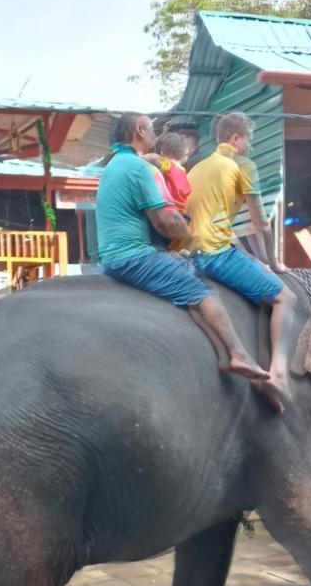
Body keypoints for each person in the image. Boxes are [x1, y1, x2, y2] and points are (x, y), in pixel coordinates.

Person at [95, 112, 269, 384]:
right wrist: (188, 231)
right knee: (205, 291)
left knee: (186, 288)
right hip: (134, 256)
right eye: (151, 128)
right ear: (139, 130)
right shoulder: (140, 169)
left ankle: (223, 355)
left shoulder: (115, 165)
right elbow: (165, 220)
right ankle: (239, 353)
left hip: (114, 254)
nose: (154, 133)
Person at [177, 112, 297, 412]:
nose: (249, 146)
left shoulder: (197, 168)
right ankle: (280, 375)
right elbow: (262, 224)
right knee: (285, 298)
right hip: (213, 255)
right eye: (248, 140)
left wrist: (253, 261)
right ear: (235, 138)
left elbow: (219, 226)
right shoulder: (242, 165)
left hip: (187, 255)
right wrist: (274, 262)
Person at [152, 131, 192, 216]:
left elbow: (154, 158)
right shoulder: (182, 171)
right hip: (181, 213)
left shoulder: (168, 166)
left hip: (170, 211)